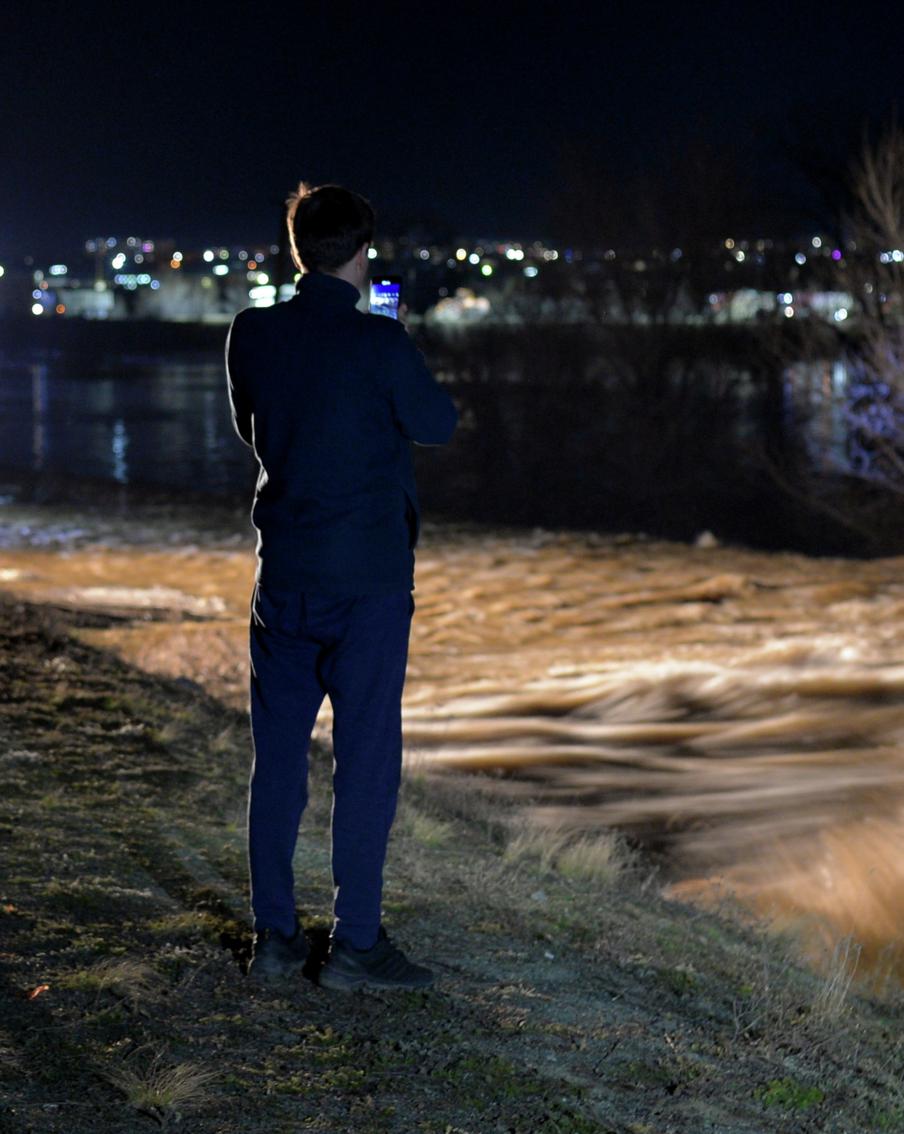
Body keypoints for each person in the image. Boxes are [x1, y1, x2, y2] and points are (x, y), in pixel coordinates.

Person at [226, 182, 457, 990]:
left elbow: (253, 425)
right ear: (363, 252)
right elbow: (440, 422)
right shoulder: (380, 344)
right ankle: (357, 946)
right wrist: (389, 344)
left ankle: (275, 940)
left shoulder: (250, 334)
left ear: (298, 251)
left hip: (284, 575)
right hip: (368, 586)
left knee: (278, 763)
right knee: (365, 763)